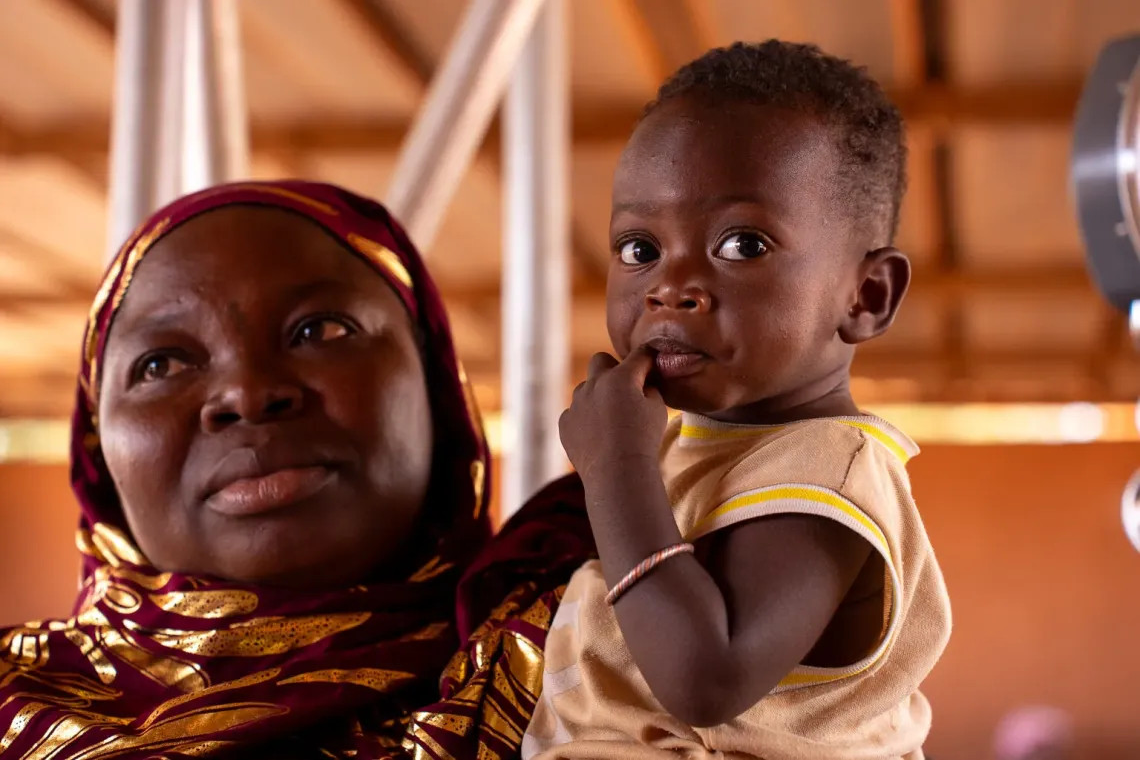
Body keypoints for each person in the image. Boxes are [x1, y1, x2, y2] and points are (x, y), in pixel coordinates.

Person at [0, 181, 594, 759]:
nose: (247, 393)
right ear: (98, 446)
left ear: (435, 383)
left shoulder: (598, 660)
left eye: (320, 330)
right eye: (161, 363)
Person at [523, 41, 952, 759]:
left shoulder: (826, 473)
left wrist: (618, 465)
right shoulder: (686, 449)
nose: (670, 286)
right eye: (638, 250)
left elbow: (703, 675)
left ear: (866, 295)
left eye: (743, 244)